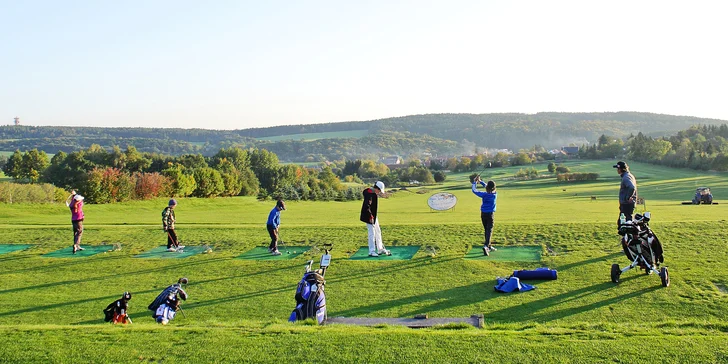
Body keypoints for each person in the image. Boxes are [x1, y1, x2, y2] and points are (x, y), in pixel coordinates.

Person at [360, 181, 391, 257]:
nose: (379, 192)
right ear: (376, 188)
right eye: (379, 190)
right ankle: (371, 251)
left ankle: (380, 249)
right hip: (368, 216)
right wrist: (370, 216)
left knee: (378, 231)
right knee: (372, 234)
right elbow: (367, 206)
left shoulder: (373, 193)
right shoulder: (370, 194)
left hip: (373, 215)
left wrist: (373, 216)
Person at [472, 176, 497, 256]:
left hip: (483, 214)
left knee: (486, 230)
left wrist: (475, 182)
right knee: (489, 230)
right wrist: (480, 181)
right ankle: (486, 246)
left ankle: (489, 246)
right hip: (490, 215)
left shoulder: (484, 195)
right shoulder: (494, 194)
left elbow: (474, 190)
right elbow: (488, 187)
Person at [614, 161, 637, 229]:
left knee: (624, 225)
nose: (617, 170)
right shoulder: (628, 176)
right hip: (627, 204)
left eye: (618, 169)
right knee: (625, 224)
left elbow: (631, 187)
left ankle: (629, 238)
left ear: (621, 169)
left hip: (626, 204)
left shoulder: (626, 177)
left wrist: (627, 197)